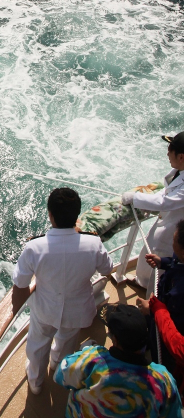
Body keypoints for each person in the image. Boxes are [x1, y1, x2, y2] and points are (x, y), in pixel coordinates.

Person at [12, 187, 113, 395]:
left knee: (38, 347)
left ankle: (36, 382)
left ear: (50, 215)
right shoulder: (93, 243)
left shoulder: (34, 247)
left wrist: (15, 310)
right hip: (78, 309)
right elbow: (107, 269)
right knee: (67, 342)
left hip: (45, 310)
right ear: (77, 216)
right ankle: (57, 366)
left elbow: (21, 284)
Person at [54, 302, 182, 418]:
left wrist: (85, 351)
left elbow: (59, 375)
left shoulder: (93, 360)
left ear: (115, 340)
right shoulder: (163, 380)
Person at [122, 132, 184, 290]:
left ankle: (152, 299)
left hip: (173, 233)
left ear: (181, 157)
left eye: (170, 150)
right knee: (149, 254)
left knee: (160, 269)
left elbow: (166, 202)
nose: (167, 153)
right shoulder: (178, 172)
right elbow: (166, 192)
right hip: (166, 224)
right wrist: (147, 203)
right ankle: (141, 282)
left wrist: (134, 198)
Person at [136, 220, 184, 385]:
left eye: (174, 242)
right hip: (162, 308)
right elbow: (177, 262)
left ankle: (161, 378)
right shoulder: (181, 259)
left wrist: (152, 310)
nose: (172, 244)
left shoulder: (180, 292)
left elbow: (172, 329)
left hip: (168, 334)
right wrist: (163, 262)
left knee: (163, 357)